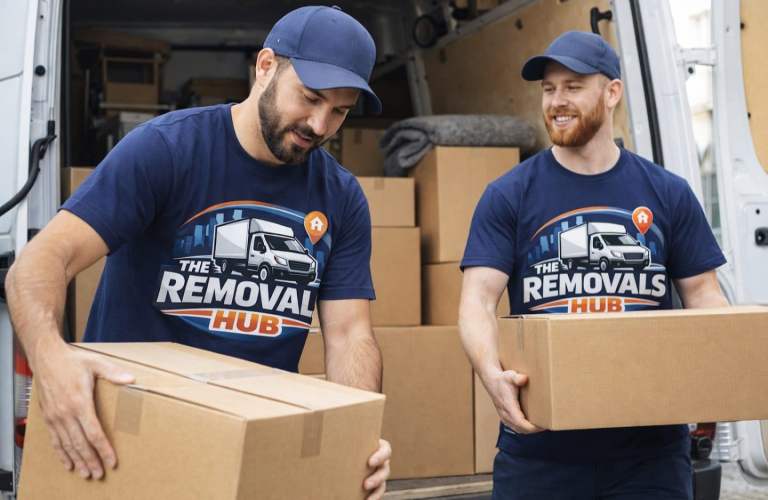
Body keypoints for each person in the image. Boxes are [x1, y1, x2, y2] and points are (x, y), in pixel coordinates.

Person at [5, 6, 390, 498]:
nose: (319, 124)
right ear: (266, 66)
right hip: (125, 441)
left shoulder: (341, 197)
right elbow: (38, 264)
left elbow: (350, 334)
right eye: (310, 98)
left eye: (340, 111)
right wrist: (51, 361)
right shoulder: (166, 150)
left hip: (255, 448)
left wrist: (356, 437)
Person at [458, 31, 729, 500]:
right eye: (548, 89)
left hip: (650, 454)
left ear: (612, 92)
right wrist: (489, 372)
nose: (556, 101)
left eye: (573, 86)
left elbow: (704, 295)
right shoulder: (509, 194)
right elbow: (477, 301)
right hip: (541, 450)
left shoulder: (668, 192)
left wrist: (716, 375)